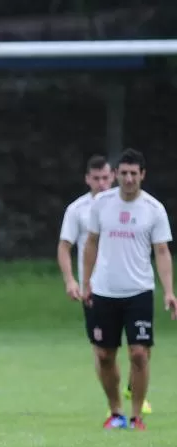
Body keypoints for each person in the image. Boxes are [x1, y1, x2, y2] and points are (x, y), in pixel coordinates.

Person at [81, 148, 176, 430]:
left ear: (142, 175)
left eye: (134, 173)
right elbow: (91, 244)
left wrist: (169, 291)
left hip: (139, 290)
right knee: (104, 355)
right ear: (117, 175)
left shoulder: (153, 209)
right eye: (124, 173)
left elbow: (161, 251)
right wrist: (86, 283)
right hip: (105, 291)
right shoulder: (102, 204)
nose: (129, 178)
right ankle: (116, 413)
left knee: (138, 353)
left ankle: (136, 416)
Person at [57, 155, 152, 415]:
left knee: (140, 346)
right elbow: (64, 247)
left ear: (113, 176)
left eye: (105, 177)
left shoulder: (129, 206)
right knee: (103, 351)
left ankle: (136, 392)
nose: (101, 183)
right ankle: (115, 405)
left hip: (131, 286)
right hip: (96, 289)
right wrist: (71, 281)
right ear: (87, 179)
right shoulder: (77, 210)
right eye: (95, 178)